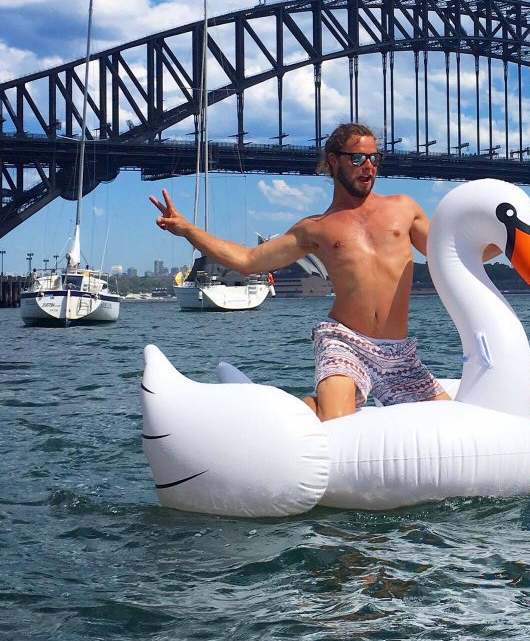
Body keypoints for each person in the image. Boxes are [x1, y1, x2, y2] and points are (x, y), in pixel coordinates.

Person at [150, 123, 507, 421]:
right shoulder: (315, 228)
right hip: (343, 342)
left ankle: (306, 409)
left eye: (374, 158)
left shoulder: (404, 209)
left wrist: (511, 238)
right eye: (358, 158)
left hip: (399, 352)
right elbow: (248, 260)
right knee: (339, 429)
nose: (369, 166)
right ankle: (316, 408)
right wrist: (188, 230)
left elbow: (449, 253)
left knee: (453, 428)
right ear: (334, 162)